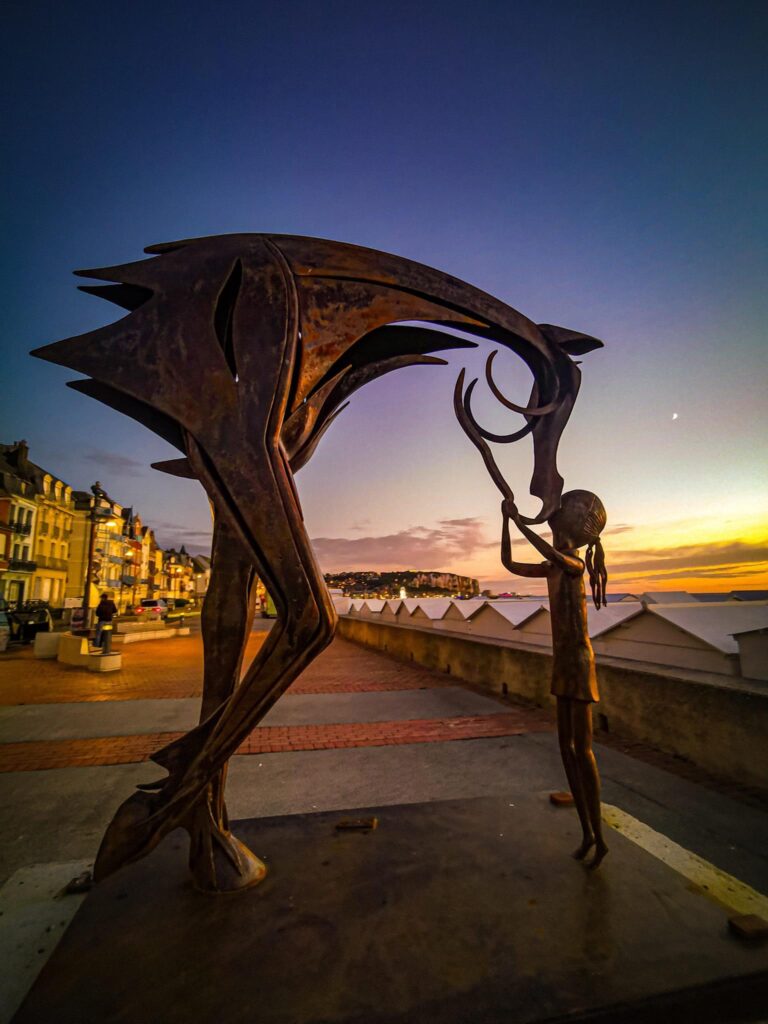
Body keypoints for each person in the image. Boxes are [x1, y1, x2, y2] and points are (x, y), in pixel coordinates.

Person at [501, 491, 609, 868]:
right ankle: (586, 833)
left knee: (584, 750)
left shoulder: (573, 565)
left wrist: (517, 522)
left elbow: (549, 555)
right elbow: (509, 562)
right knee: (565, 748)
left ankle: (599, 833)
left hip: (579, 663)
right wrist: (505, 520)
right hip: (562, 662)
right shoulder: (554, 567)